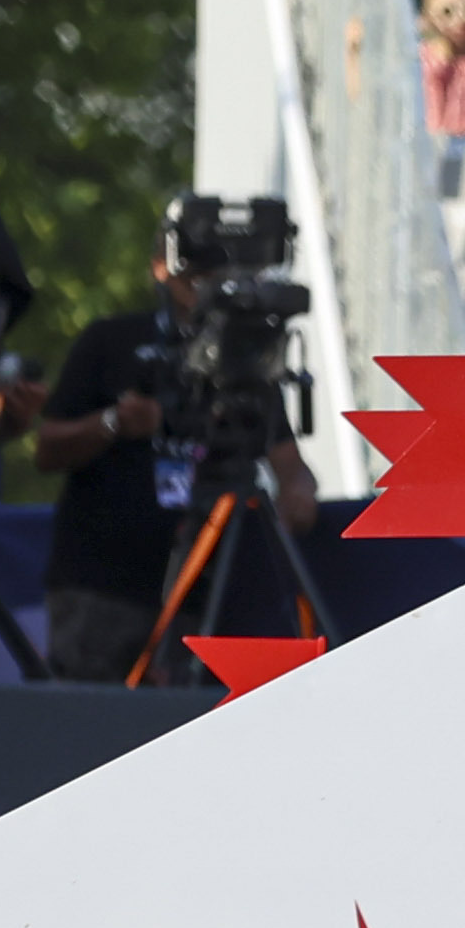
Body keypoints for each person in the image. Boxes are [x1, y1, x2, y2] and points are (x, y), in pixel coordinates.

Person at [25, 205, 322, 682]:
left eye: (218, 273)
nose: (206, 286)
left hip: (212, 590)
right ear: (160, 268)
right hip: (104, 588)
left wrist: (299, 493)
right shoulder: (112, 341)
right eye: (196, 273)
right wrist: (113, 423)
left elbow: (289, 465)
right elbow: (47, 447)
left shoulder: (247, 360)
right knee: (89, 728)